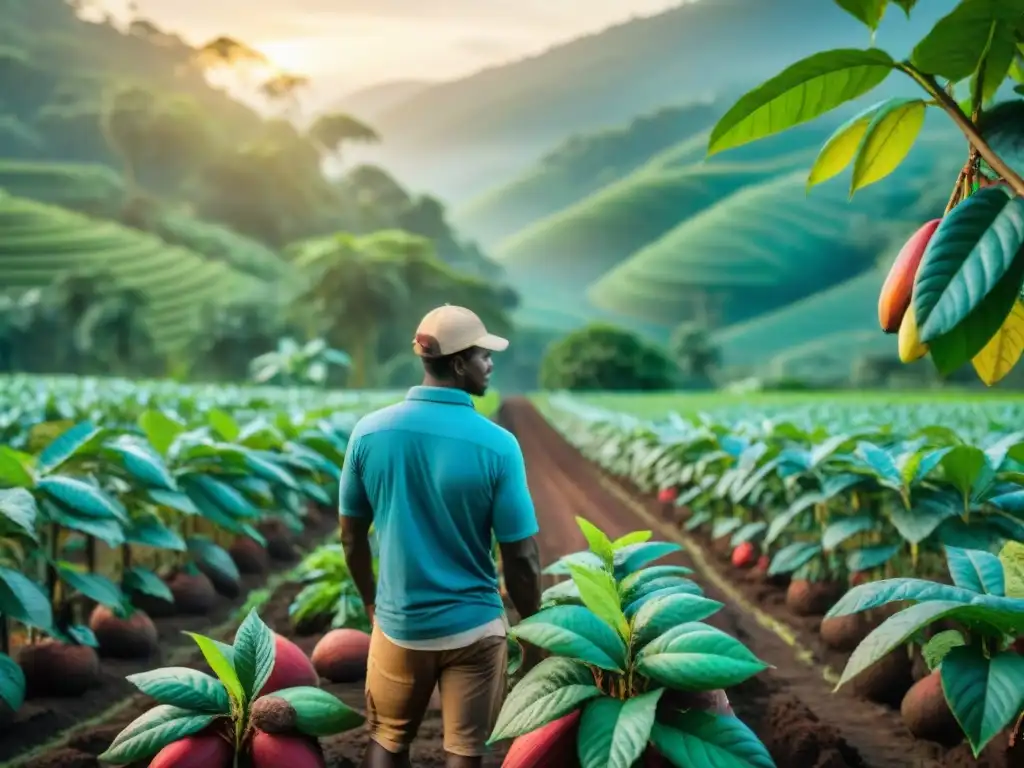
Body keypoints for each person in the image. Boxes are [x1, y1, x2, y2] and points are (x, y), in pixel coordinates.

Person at [339, 304, 542, 768]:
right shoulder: (498, 445)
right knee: (465, 751)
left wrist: (373, 603)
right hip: (474, 629)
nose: (490, 364)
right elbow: (523, 557)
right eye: (482, 356)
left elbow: (351, 538)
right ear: (456, 363)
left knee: (387, 741)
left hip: (399, 625)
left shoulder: (368, 433)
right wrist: (534, 629)